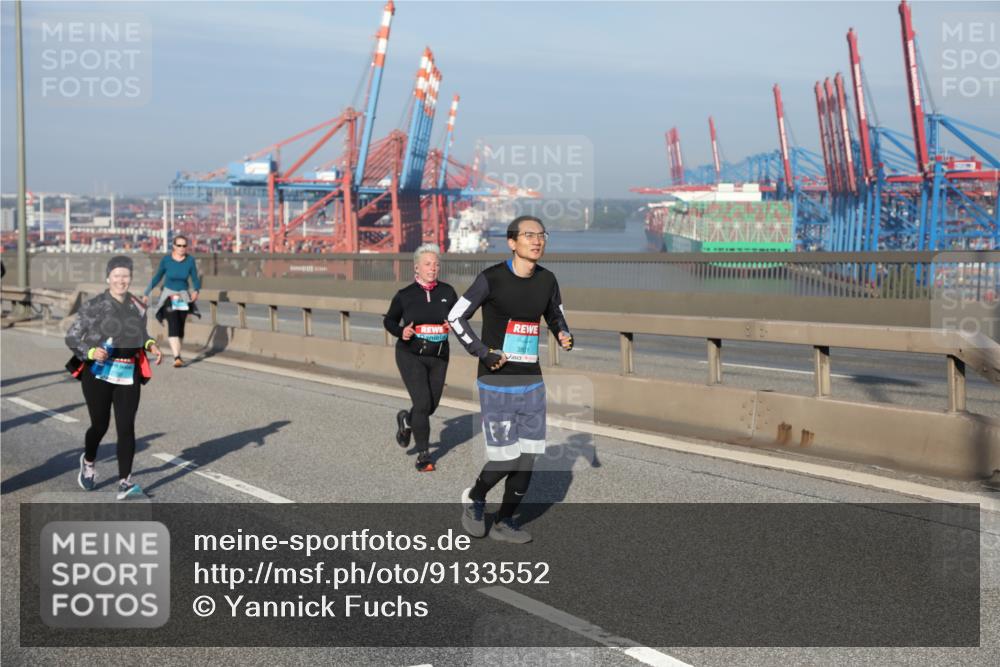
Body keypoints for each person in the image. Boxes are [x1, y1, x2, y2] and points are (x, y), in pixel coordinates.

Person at [448, 215, 573, 543]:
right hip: (497, 381)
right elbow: (455, 316)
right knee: (506, 456)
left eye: (542, 235)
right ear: (512, 242)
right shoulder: (491, 279)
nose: (537, 241)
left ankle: (504, 522)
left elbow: (554, 313)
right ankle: (475, 496)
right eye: (529, 235)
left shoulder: (548, 280)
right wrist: (482, 350)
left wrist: (562, 333)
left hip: (532, 380)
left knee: (528, 456)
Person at [65, 255, 163, 500]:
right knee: (100, 424)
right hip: (98, 372)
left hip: (127, 372)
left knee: (126, 427)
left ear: (130, 279)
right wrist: (89, 351)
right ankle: (88, 461)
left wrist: (151, 344)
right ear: (108, 278)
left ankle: (125, 483)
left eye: (126, 276)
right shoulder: (94, 305)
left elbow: (141, 332)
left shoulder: (137, 306)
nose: (121, 280)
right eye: (117, 276)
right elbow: (72, 337)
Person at [383, 244, 458, 472]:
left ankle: (407, 421)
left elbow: (458, 318)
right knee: (423, 403)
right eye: (427, 264)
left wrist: (452, 325)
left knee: (430, 406)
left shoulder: (448, 292)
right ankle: (424, 455)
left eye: (436, 264)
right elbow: (390, 320)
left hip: (439, 356)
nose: (432, 268)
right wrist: (401, 331)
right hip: (410, 354)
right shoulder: (405, 295)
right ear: (417, 268)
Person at [143, 234, 201, 367]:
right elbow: (158, 277)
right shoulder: (166, 260)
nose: (181, 248)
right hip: (169, 295)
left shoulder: (190, 261)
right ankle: (177, 357)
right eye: (179, 245)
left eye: (184, 245)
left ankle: (178, 354)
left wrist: (196, 290)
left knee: (180, 326)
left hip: (182, 296)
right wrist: (147, 292)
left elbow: (195, 278)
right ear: (174, 246)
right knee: (173, 321)